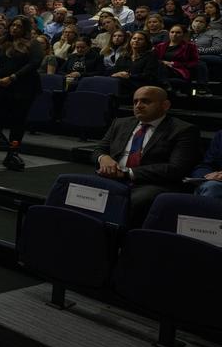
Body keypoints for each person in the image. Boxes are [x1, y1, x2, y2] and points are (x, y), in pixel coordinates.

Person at [91, 86, 199, 224]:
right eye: (135, 102)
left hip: (150, 183)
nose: (138, 106)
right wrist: (103, 158)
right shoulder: (120, 123)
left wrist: (127, 173)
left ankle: (116, 240)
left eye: (146, 101)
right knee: (77, 188)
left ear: (165, 105)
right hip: (113, 176)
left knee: (130, 201)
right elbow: (99, 149)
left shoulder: (183, 130)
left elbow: (176, 168)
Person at [0, 16, 43, 171]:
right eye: (13, 25)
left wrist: (13, 77)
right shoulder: (1, 43)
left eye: (19, 26)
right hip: (1, 86)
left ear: (25, 29)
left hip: (22, 87)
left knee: (18, 122)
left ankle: (12, 153)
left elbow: (34, 63)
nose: (15, 28)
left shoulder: (33, 44)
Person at [111, 30, 165, 95]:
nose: (136, 41)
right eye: (134, 38)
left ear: (146, 42)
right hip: (122, 82)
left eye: (140, 39)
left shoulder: (151, 56)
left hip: (141, 85)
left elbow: (149, 76)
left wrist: (129, 76)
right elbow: (115, 70)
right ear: (130, 41)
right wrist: (116, 74)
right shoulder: (124, 56)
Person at [186, 131, 222, 201]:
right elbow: (206, 165)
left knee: (211, 187)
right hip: (215, 182)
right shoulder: (220, 135)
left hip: (215, 186)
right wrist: (205, 177)